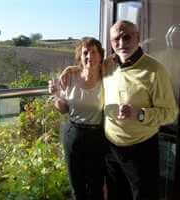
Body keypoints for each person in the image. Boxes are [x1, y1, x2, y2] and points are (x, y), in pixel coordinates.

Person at [60, 20, 179, 200]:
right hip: (110, 149)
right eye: (116, 39)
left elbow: (170, 113)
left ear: (138, 38)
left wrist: (139, 113)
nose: (122, 43)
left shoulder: (155, 70)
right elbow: (88, 65)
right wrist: (70, 70)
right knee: (116, 195)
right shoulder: (109, 65)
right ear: (111, 43)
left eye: (127, 37)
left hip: (141, 149)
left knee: (144, 195)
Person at [48, 37, 107, 200]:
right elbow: (64, 109)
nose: (89, 56)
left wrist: (69, 67)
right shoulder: (71, 77)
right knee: (77, 186)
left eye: (93, 52)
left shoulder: (107, 77)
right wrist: (55, 95)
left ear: (100, 55)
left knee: (96, 186)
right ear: (80, 57)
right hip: (73, 134)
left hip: (97, 136)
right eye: (85, 53)